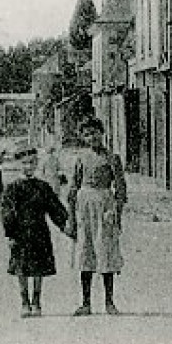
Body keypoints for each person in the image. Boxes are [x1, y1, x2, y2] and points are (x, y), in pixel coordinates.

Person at [0, 150, 73, 317]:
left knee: (39, 268)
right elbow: (7, 212)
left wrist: (64, 226)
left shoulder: (43, 187)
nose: (28, 167)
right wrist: (10, 234)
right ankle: (24, 302)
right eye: (25, 163)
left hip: (40, 232)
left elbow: (54, 208)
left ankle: (37, 301)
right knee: (21, 268)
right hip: (20, 233)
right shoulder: (13, 188)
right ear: (19, 165)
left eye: (32, 163)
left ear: (37, 164)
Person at [67, 117, 128, 316]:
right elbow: (73, 188)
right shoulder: (81, 158)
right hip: (85, 206)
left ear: (102, 133)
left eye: (95, 132)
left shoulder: (112, 158)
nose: (92, 137)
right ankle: (86, 303)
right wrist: (72, 218)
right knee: (86, 252)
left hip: (104, 205)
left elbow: (120, 189)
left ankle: (109, 302)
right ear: (82, 137)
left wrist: (116, 212)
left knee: (106, 252)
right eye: (87, 134)